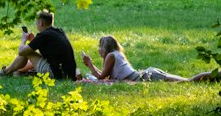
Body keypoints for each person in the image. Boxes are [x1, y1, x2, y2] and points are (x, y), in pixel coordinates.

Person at [80, 35, 211, 83]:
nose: (98, 49)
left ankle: (220, 73)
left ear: (104, 47)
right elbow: (105, 76)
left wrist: (90, 64)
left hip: (144, 77)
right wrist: (91, 65)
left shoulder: (110, 55)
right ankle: (218, 74)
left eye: (99, 46)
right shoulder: (115, 54)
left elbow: (101, 77)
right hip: (147, 74)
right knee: (188, 81)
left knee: (188, 81)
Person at [0, 10, 78, 80]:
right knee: (29, 51)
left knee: (27, 53)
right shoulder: (59, 32)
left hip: (56, 74)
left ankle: (5, 72)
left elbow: (21, 52)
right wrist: (33, 41)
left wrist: (23, 40)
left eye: (36, 23)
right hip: (69, 74)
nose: (36, 26)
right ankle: (11, 71)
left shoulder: (43, 35)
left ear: (41, 23)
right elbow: (49, 51)